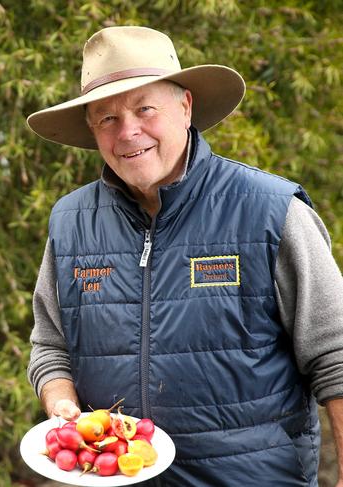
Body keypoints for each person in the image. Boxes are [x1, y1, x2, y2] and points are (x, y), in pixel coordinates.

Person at [25, 26, 343, 486]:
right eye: (106, 118)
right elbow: (50, 345)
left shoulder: (271, 212)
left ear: (186, 106)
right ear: (92, 130)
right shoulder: (70, 222)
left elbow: (336, 353)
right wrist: (62, 407)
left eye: (144, 109)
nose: (128, 131)